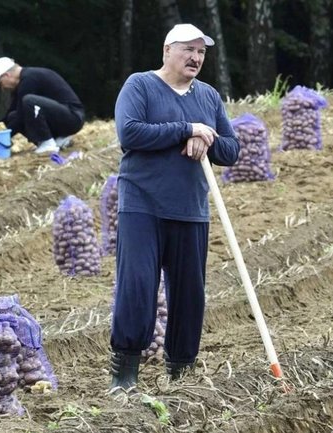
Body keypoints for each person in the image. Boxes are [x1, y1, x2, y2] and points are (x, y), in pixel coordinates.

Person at [109, 23, 239, 391]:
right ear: (168, 50)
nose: (196, 57)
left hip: (190, 208)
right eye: (189, 50)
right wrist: (187, 128)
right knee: (137, 286)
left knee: (189, 294)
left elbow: (231, 150)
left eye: (201, 52)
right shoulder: (140, 85)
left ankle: (181, 373)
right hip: (142, 205)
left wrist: (205, 137)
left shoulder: (210, 97)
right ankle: (124, 375)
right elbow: (130, 132)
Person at [0, 57, 85, 154]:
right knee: (12, 115)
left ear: (7, 75)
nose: (2, 87)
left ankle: (47, 144)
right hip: (61, 117)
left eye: (0, 83)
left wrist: (4, 136)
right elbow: (13, 112)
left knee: (29, 101)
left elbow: (21, 117)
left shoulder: (29, 79)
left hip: (73, 117)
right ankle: (57, 140)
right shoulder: (24, 81)